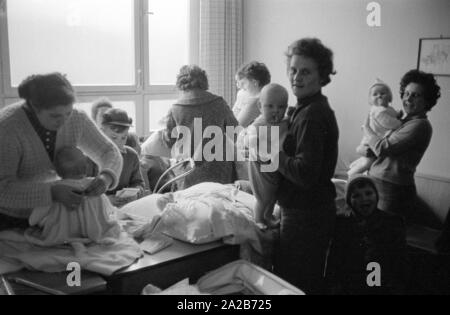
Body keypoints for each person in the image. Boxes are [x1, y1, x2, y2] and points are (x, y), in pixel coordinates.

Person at [0, 72, 123, 231]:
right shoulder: (7, 128)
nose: (64, 120)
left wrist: (106, 177)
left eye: (68, 112)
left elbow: (108, 151)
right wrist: (50, 192)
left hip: (51, 216)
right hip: (9, 218)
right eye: (55, 116)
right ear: (34, 107)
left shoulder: (76, 119)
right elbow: (2, 188)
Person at [274, 38, 339, 294]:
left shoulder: (312, 115)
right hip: (307, 211)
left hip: (306, 215)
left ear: (321, 76)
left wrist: (273, 156)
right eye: (293, 69)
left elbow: (305, 174)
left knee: (294, 284)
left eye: (305, 71)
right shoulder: (305, 109)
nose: (296, 77)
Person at [363, 69, 441, 221]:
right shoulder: (403, 121)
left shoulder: (420, 125)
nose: (408, 99)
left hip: (391, 189)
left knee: (384, 235)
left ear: (427, 100)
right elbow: (373, 148)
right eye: (406, 93)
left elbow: (381, 148)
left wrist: (366, 128)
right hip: (378, 183)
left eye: (415, 95)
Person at [25, 146, 120, 247]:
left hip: (62, 234)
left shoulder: (54, 188)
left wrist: (33, 222)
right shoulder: (95, 185)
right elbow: (107, 208)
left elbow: (36, 216)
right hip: (92, 231)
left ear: (57, 171)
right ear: (85, 167)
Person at [327, 175, 407, 294]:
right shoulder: (341, 223)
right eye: (356, 196)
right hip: (349, 283)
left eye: (368, 193)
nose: (364, 199)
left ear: (376, 195)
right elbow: (334, 258)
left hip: (381, 283)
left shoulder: (393, 222)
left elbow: (399, 260)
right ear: (349, 200)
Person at [166, 65, 238, 190]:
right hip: (219, 170)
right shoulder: (219, 103)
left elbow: (169, 139)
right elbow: (235, 132)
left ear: (181, 83)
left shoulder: (175, 108)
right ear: (204, 81)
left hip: (188, 171)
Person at [245, 83, 289, 228]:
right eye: (270, 106)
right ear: (260, 106)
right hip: (260, 167)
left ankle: (268, 216)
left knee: (273, 195)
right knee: (263, 196)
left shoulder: (285, 122)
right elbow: (247, 138)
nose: (276, 110)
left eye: (281, 107)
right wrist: (252, 141)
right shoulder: (258, 124)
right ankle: (258, 219)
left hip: (276, 166)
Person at [348, 80, 402, 177]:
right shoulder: (378, 111)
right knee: (368, 163)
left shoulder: (387, 109)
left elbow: (392, 114)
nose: (379, 96)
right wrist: (399, 123)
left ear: (389, 97)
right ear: (370, 100)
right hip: (370, 142)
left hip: (376, 140)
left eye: (382, 93)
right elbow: (388, 122)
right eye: (375, 94)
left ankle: (356, 164)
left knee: (370, 160)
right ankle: (352, 174)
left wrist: (398, 114)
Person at [100, 108, 145, 206]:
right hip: (98, 210)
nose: (118, 142)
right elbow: (84, 190)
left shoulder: (131, 156)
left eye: (123, 138)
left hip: (125, 207)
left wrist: (136, 193)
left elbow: (138, 183)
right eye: (114, 137)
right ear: (102, 132)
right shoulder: (91, 157)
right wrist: (105, 200)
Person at [232, 61, 271, 127]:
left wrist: (238, 103)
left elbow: (233, 129)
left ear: (255, 82)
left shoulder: (255, 102)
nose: (241, 88)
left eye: (244, 83)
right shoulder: (268, 97)